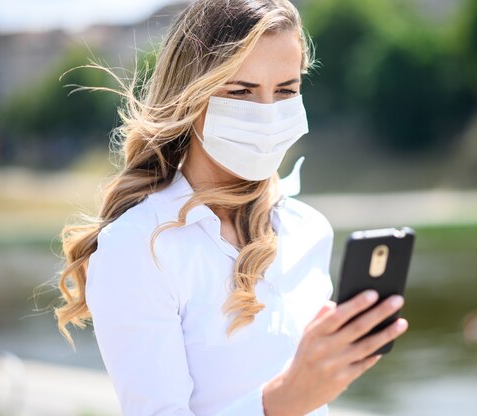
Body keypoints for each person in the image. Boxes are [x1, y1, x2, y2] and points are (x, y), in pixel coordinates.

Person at [53, 0, 408, 414]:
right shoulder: (138, 247)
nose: (268, 113)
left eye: (286, 91)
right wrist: (283, 400)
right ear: (191, 94)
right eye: (241, 91)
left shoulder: (309, 229)